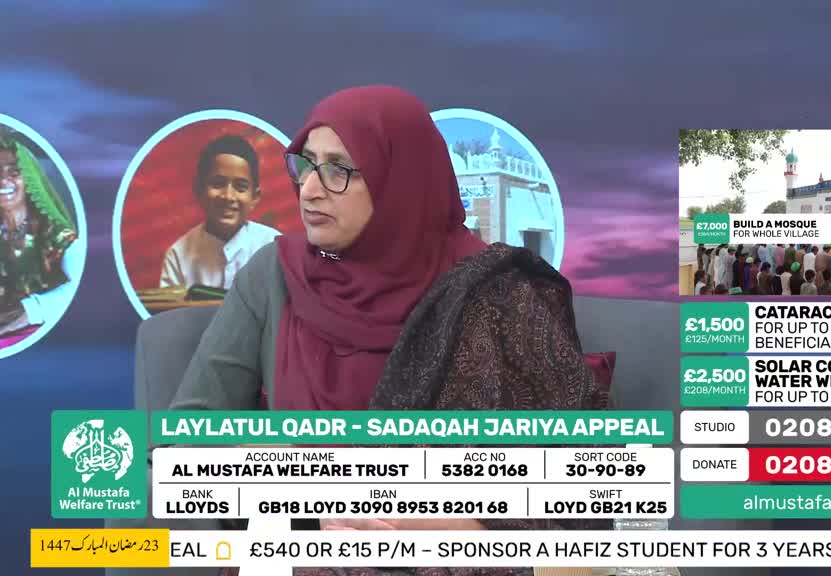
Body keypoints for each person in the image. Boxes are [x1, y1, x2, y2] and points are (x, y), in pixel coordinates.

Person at [168, 87, 609, 569]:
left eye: (338, 169)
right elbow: (184, 440)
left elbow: (579, 484)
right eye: (306, 164)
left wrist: (449, 527)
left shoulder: (498, 292)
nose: (310, 189)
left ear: (400, 181)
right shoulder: (275, 276)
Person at [160, 134, 281, 290]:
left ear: (255, 197)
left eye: (240, 187)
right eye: (218, 184)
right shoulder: (178, 256)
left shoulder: (274, 247)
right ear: (199, 190)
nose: (228, 196)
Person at [0, 128, 83, 341]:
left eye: (13, 172)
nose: (3, 181)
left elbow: (85, 291)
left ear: (29, 178)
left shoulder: (58, 237)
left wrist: (33, 310)